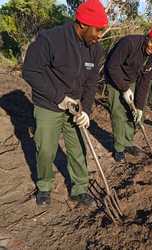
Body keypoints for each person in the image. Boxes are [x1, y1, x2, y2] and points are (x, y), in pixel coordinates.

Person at [22, 0, 108, 206]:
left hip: (76, 105)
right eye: (98, 30)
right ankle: (44, 186)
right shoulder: (51, 40)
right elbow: (30, 71)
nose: (100, 35)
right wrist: (59, 97)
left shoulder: (95, 49)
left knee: (78, 147)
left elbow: (91, 82)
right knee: (46, 149)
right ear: (83, 25)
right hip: (48, 104)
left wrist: (86, 110)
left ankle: (79, 188)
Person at [104, 24, 152, 162]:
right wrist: (124, 89)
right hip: (114, 77)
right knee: (118, 113)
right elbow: (112, 66)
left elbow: (145, 80)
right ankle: (119, 148)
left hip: (132, 79)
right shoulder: (129, 43)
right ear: (148, 36)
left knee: (133, 114)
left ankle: (127, 142)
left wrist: (139, 106)